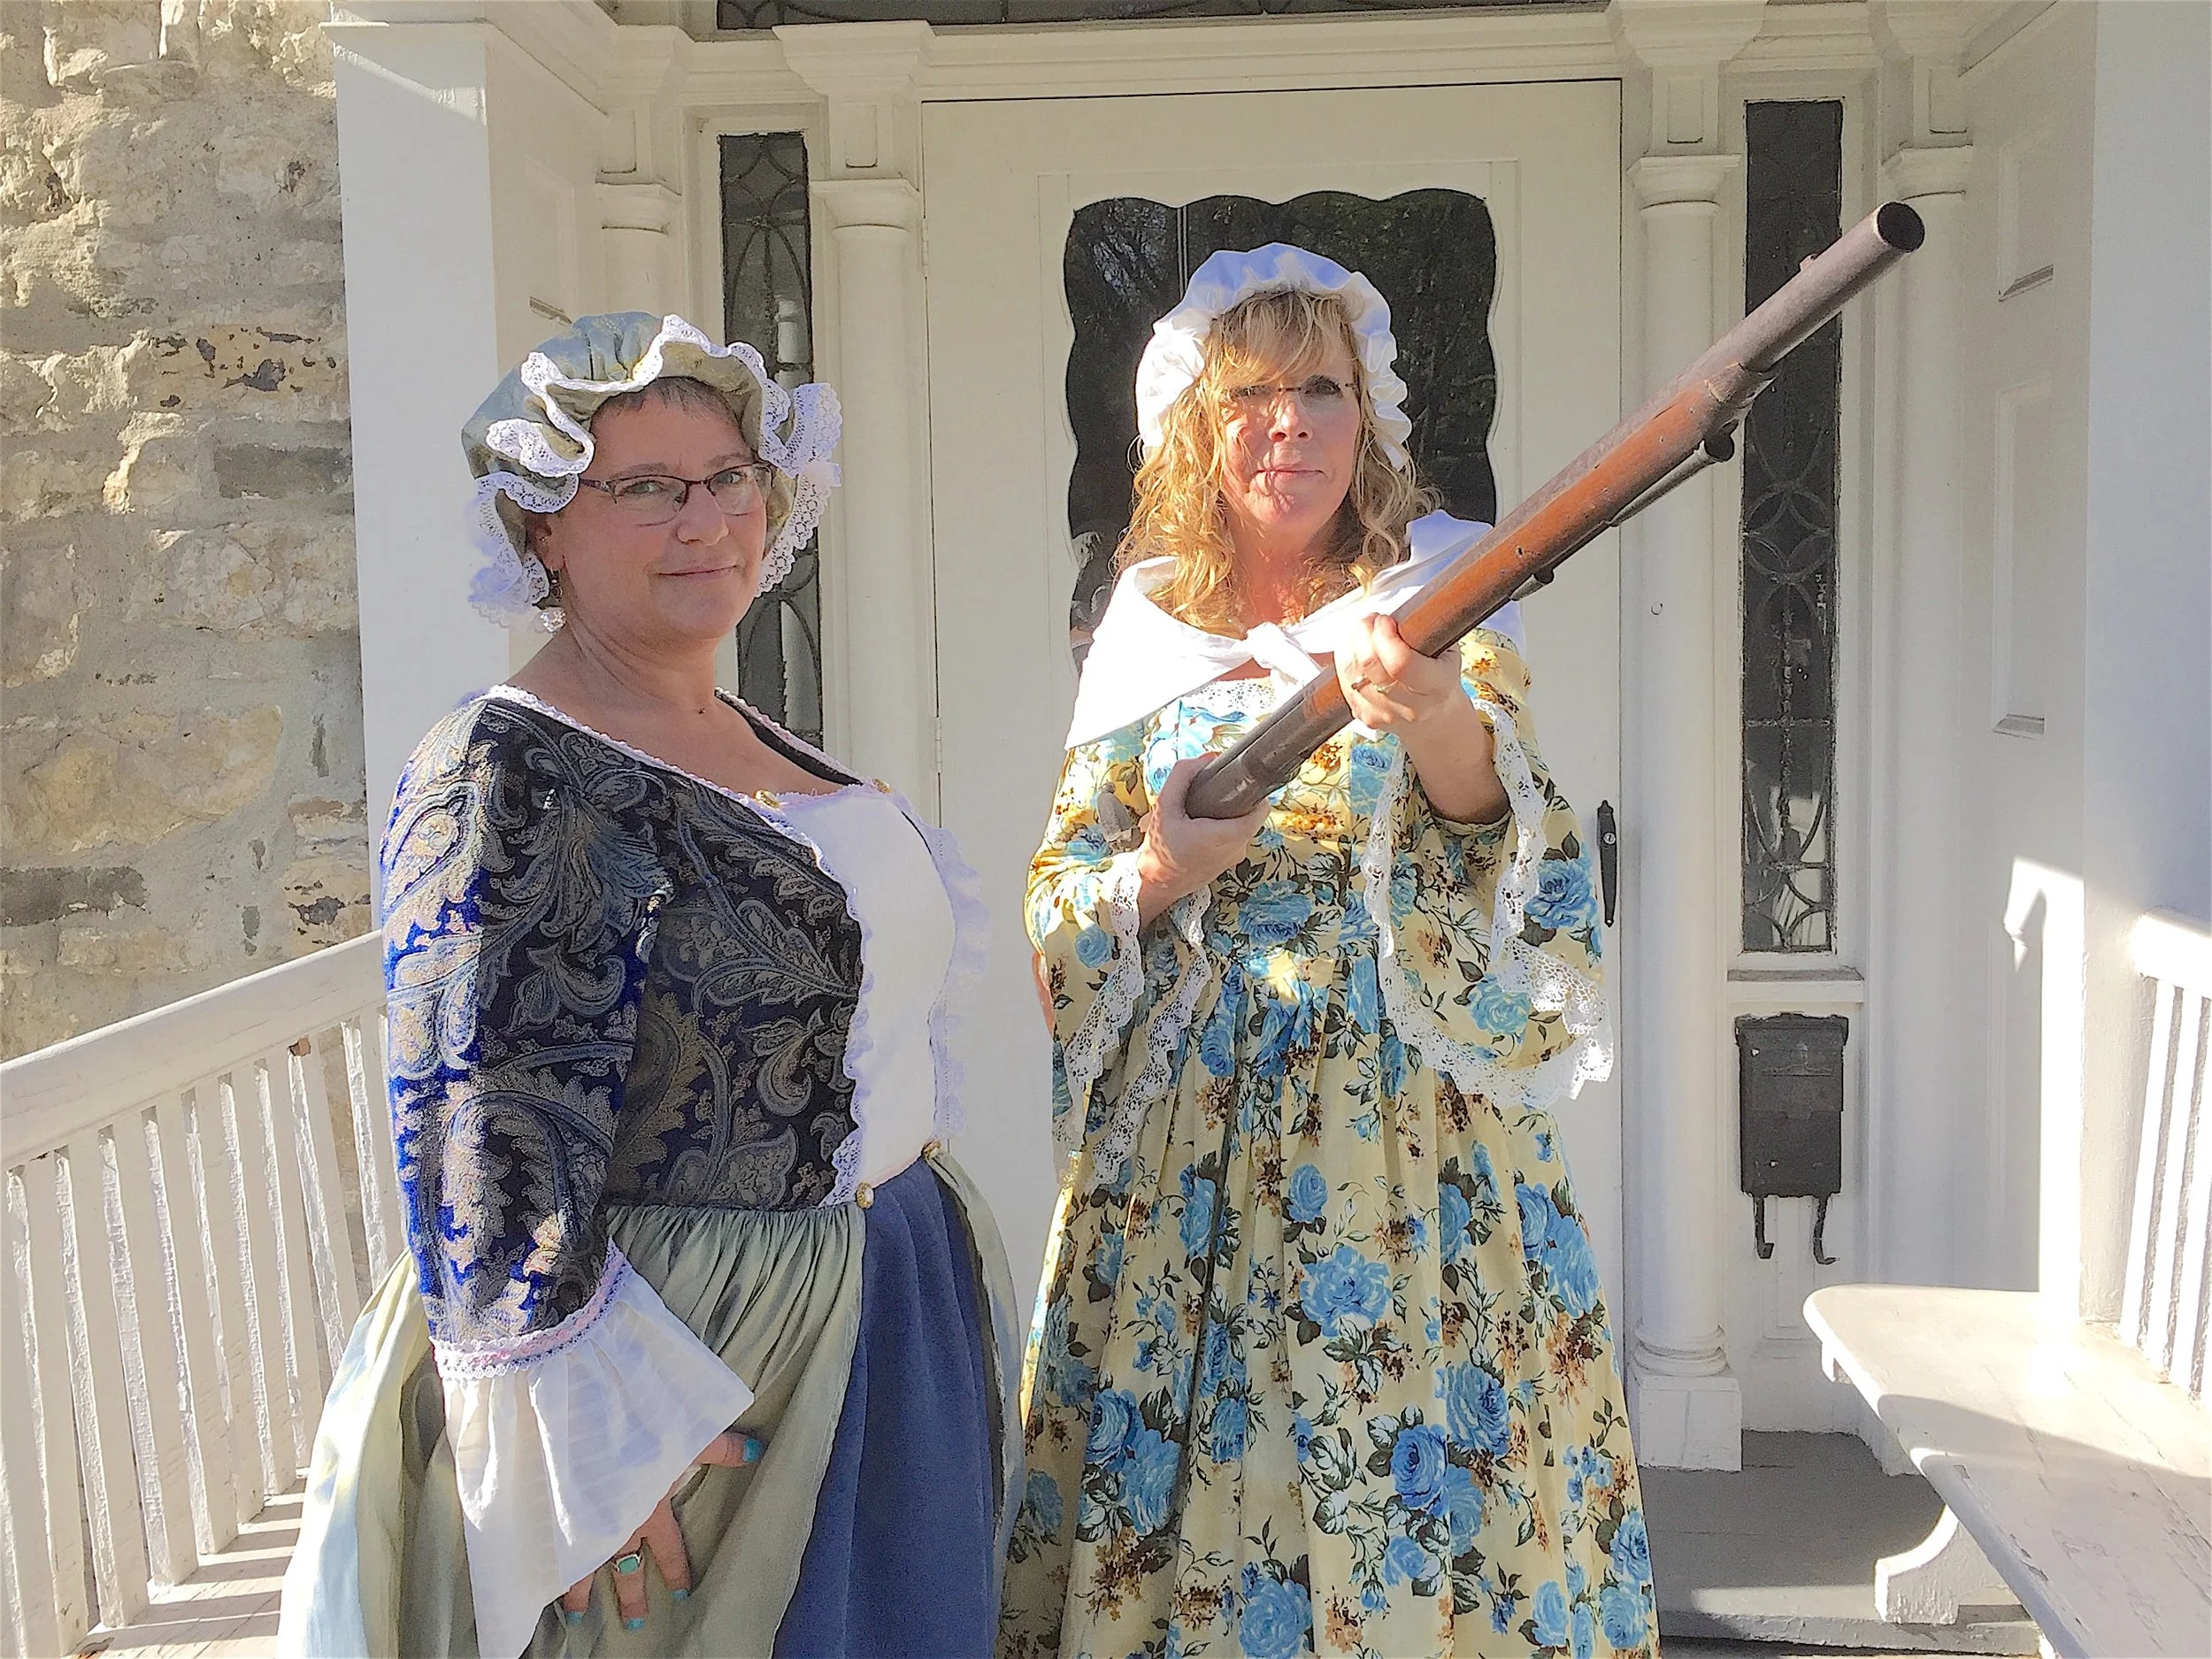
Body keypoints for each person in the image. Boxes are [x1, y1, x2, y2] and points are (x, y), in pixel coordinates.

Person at [279, 313, 1021, 1659]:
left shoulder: (742, 732)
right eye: (643, 488)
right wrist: (585, 1462)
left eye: (730, 476)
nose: (704, 520)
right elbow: (477, 1133)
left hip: (882, 1307)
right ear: (544, 527)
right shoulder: (506, 766)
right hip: (683, 1372)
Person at [998, 247, 1655, 1659]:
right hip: (1191, 1150)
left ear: (1367, 420)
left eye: (1321, 388)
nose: (1287, 422)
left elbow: (1510, 835)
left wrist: (1428, 717)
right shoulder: (1144, 628)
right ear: (1195, 424)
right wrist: (1165, 868)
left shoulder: (1440, 594)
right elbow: (1057, 901)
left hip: (1411, 1145)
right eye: (1250, 394)